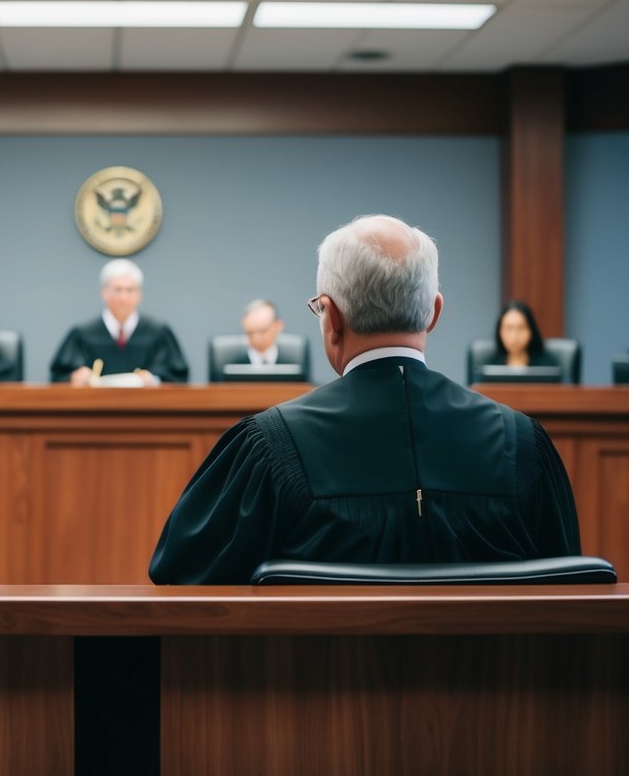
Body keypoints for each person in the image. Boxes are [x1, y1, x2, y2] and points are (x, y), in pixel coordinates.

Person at [149, 214, 580, 585]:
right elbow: (565, 590)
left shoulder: (270, 445)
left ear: (331, 318)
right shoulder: (521, 444)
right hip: (497, 682)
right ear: (434, 312)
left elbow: (179, 575)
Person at [50, 259, 188, 386]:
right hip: (95, 409)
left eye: (130, 290)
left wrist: (154, 380)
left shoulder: (159, 333)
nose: (123, 297)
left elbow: (177, 376)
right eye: (117, 290)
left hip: (146, 409)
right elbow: (58, 377)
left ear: (139, 294)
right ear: (104, 293)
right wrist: (75, 378)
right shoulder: (82, 334)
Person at [487, 300, 558, 368]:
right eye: (509, 328)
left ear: (531, 331)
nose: (514, 336)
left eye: (521, 328)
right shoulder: (489, 366)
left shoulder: (547, 367)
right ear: (499, 331)